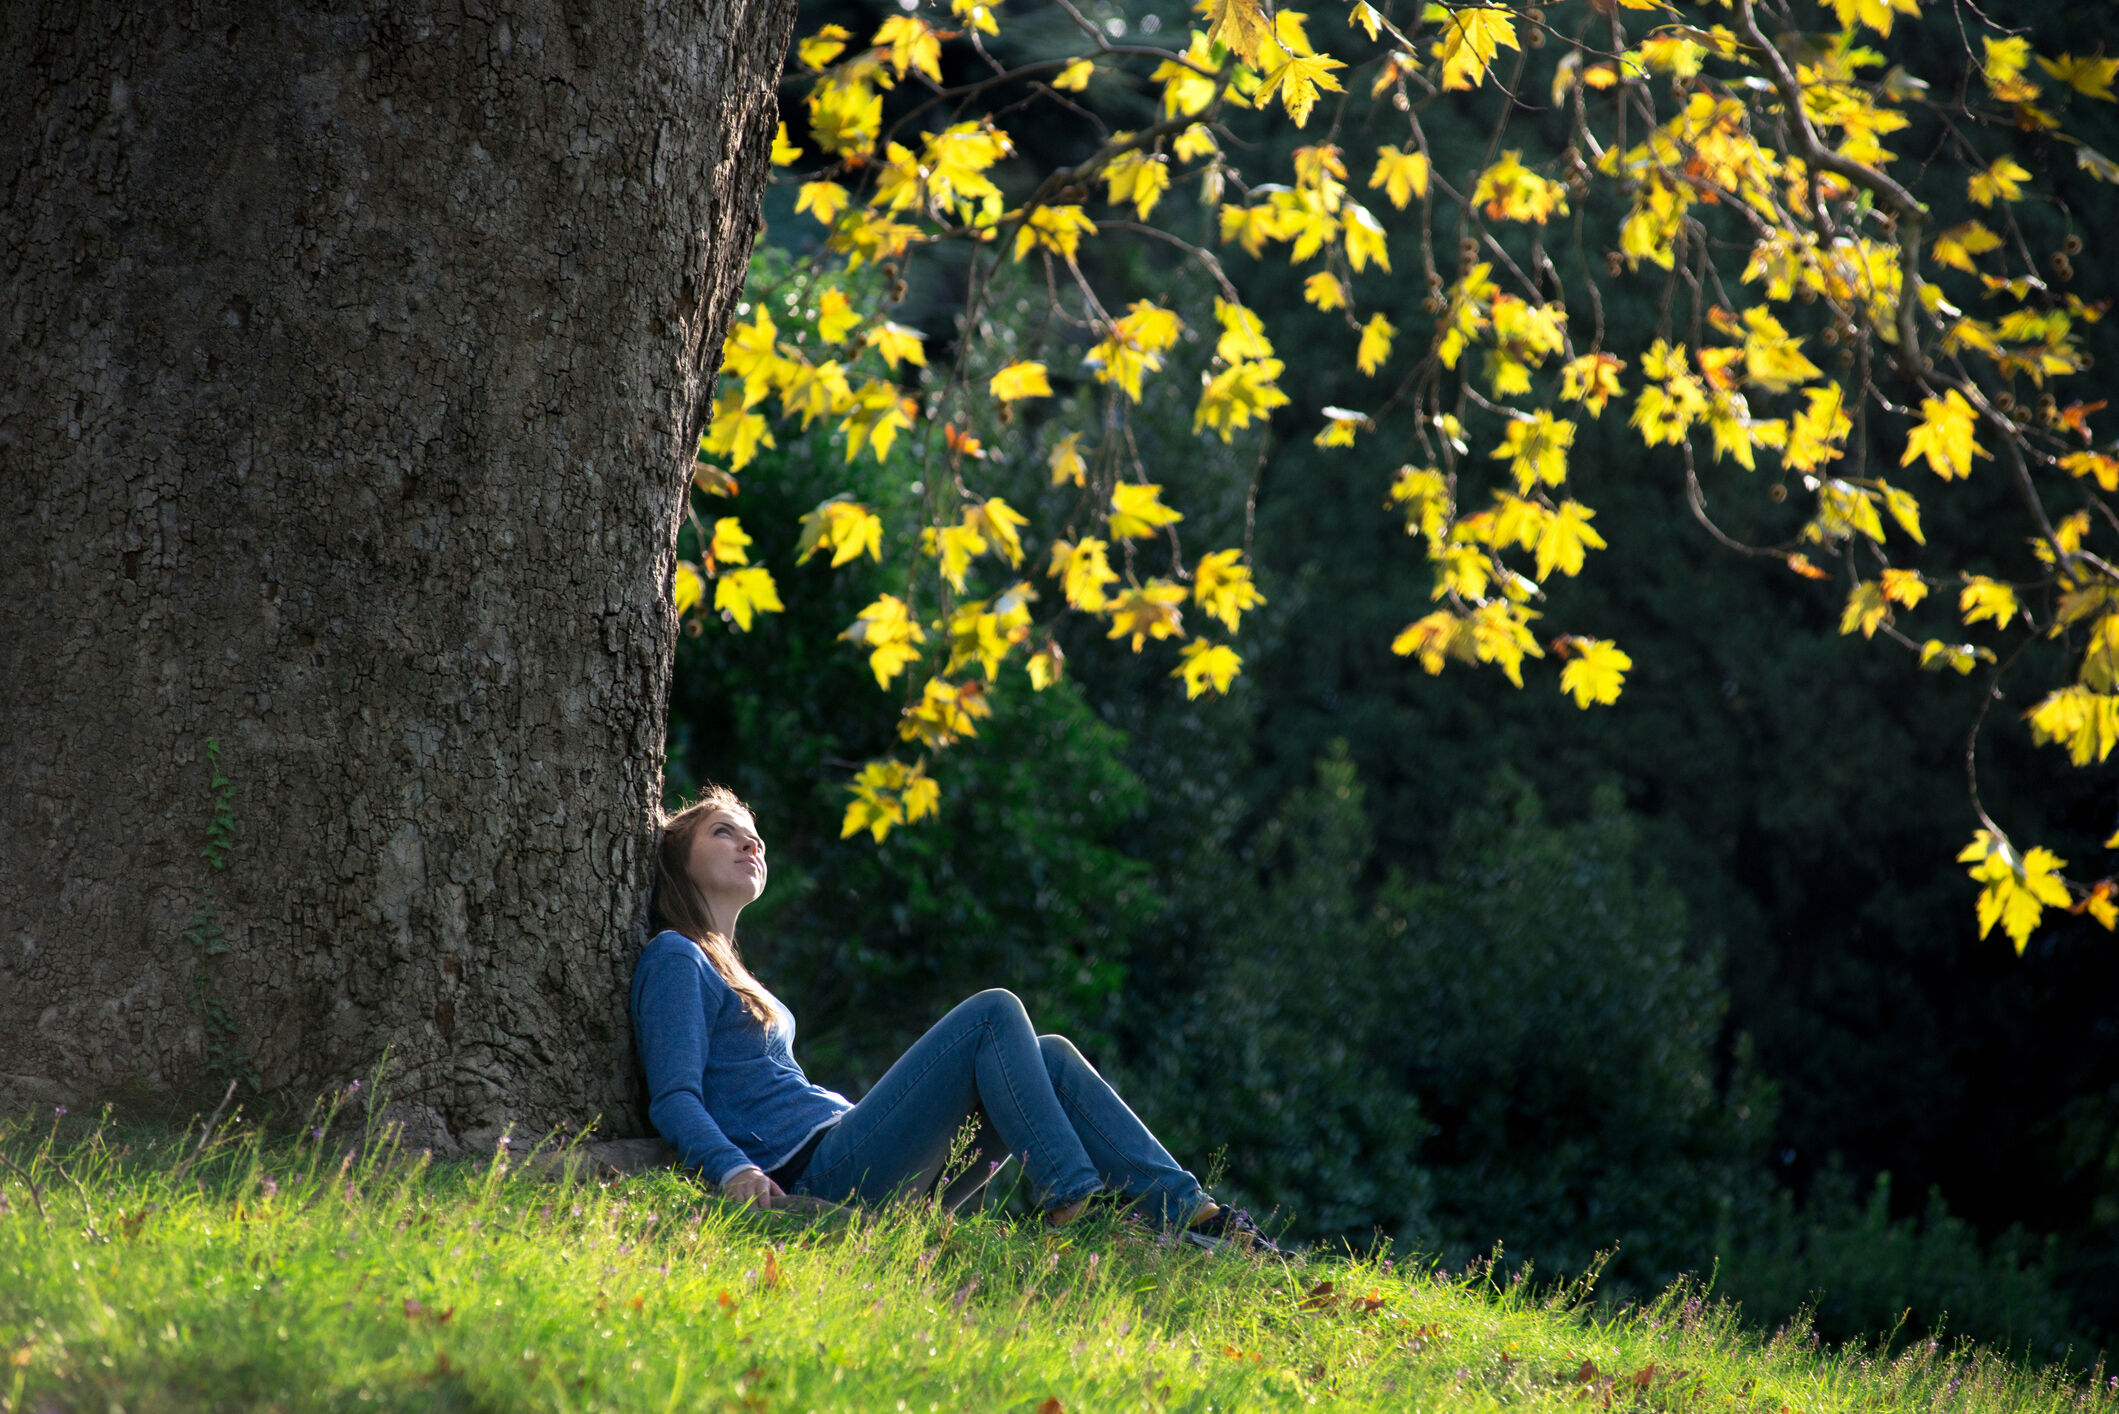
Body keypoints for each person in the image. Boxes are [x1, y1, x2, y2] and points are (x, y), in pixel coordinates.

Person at [631, 785, 1278, 1252]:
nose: (751, 840)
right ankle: (1071, 1195)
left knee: (1047, 1053)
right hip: (817, 1173)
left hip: (866, 1163)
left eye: (754, 833)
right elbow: (675, 1097)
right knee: (992, 1015)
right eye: (723, 830)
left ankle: (1196, 1214)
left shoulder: (732, 971)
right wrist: (733, 1169)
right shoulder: (674, 958)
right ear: (677, 860)